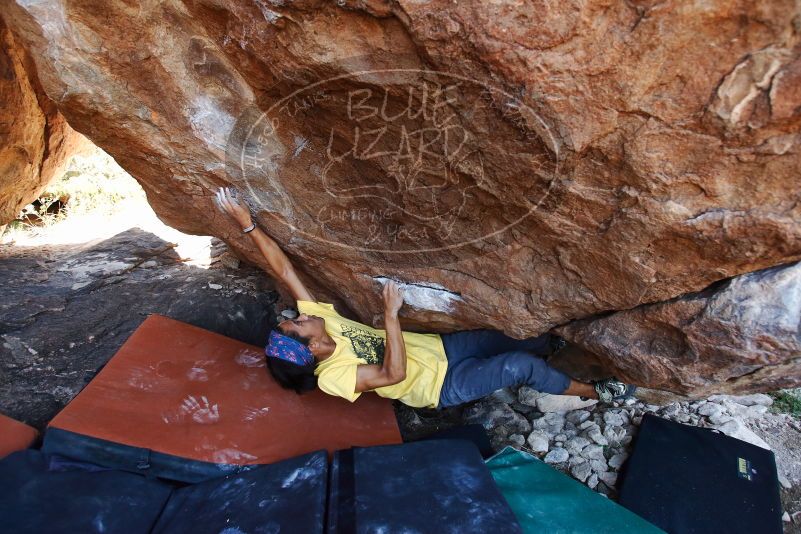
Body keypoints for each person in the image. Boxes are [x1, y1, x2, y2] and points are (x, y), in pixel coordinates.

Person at [215, 187, 635, 409]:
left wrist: (248, 226)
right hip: (439, 385)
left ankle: (553, 353)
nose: (299, 315)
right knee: (516, 365)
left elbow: (285, 270)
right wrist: (390, 317)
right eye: (297, 324)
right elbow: (393, 377)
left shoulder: (322, 324)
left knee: (523, 339)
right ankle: (594, 393)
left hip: (443, 348)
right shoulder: (333, 376)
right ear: (314, 347)